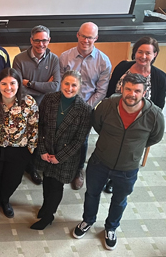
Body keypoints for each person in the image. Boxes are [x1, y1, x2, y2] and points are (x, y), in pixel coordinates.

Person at [73, 74, 164, 250]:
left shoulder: (155, 115)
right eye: (128, 89)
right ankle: (88, 220)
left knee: (120, 199)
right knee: (92, 193)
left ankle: (111, 227)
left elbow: (154, 138)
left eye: (137, 91)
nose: (132, 94)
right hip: (100, 161)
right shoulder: (107, 105)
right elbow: (97, 125)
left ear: (144, 93)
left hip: (128, 167)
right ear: (122, 88)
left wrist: (132, 149)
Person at [30, 71, 92, 230]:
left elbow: (79, 139)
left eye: (73, 85)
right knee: (47, 182)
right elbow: (40, 126)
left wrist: (59, 157)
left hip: (65, 157)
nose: (69, 88)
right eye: (66, 83)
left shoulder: (85, 110)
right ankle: (45, 207)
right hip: (47, 150)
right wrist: (42, 150)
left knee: (56, 187)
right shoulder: (49, 99)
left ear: (79, 87)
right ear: (61, 83)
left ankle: (48, 216)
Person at [103, 36, 166, 193]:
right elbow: (109, 93)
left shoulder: (160, 77)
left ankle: (115, 179)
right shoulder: (122, 67)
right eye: (140, 52)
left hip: (140, 123)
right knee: (108, 147)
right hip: (115, 116)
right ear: (135, 52)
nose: (143, 56)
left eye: (148, 53)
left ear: (155, 55)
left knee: (128, 150)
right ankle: (104, 171)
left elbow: (158, 106)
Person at [0, 68, 38, 225]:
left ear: (19, 84)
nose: (8, 87)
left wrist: (31, 150)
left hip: (18, 150)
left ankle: (4, 200)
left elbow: (34, 127)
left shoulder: (29, 103)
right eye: (3, 83)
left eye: (12, 83)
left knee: (13, 180)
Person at [59, 22, 112, 190]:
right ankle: (60, 164)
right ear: (77, 35)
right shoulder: (64, 57)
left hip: (87, 107)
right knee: (61, 135)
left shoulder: (103, 62)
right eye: (83, 36)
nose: (86, 40)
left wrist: (85, 108)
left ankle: (78, 170)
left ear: (96, 38)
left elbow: (101, 91)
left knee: (81, 139)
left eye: (90, 37)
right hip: (64, 103)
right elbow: (59, 84)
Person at [13, 25, 60, 185]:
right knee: (23, 137)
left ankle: (33, 167)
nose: (41, 44)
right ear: (31, 40)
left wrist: (31, 83)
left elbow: (55, 86)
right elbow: (18, 86)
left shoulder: (54, 59)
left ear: (49, 40)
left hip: (45, 106)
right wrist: (43, 86)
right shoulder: (19, 59)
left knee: (38, 138)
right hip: (25, 106)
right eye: (37, 40)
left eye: (44, 40)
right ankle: (21, 165)